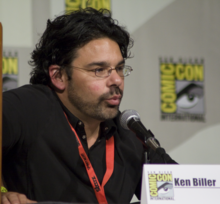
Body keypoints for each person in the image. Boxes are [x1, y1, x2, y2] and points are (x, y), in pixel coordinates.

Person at [2, 7, 176, 204]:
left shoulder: (131, 135)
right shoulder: (28, 107)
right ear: (59, 76)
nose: (116, 80)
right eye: (99, 70)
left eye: (119, 68)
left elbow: (181, 195)